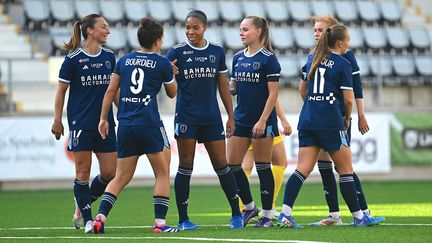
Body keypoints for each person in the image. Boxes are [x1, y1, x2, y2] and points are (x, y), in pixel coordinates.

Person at [277, 24, 383, 228]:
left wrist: (313, 104)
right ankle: (360, 217)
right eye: (348, 40)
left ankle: (285, 214)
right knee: (346, 170)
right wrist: (346, 118)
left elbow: (303, 89)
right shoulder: (343, 64)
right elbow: (349, 100)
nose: (349, 44)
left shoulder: (312, 59)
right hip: (330, 121)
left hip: (307, 118)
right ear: (341, 42)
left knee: (301, 169)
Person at [92, 17, 179, 234]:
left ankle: (100, 218)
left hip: (126, 124)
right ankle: (160, 224)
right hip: (149, 124)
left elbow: (110, 91)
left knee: (121, 177)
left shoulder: (124, 61)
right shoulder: (162, 63)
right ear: (158, 41)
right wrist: (171, 73)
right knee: (162, 173)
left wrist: (103, 118)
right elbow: (172, 93)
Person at [166, 10, 243, 230]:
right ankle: (183, 219)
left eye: (195, 27)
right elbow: (164, 82)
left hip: (211, 118)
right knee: (185, 167)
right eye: (187, 27)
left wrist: (231, 115)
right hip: (186, 117)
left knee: (222, 166)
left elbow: (222, 86)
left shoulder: (216, 51)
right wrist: (167, 71)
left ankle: (237, 215)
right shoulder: (176, 52)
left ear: (204, 28)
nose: (190, 32)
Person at [51, 14, 117, 234]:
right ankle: (88, 220)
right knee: (83, 172)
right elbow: (61, 91)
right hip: (81, 122)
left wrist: (125, 112)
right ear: (90, 30)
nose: (107, 30)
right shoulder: (73, 59)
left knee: (110, 173)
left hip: (106, 123)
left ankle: (81, 201)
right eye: (103, 27)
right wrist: (57, 119)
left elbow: (113, 90)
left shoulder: (109, 57)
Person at [227, 16, 280, 228]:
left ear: (258, 32)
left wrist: (263, 119)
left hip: (262, 121)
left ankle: (267, 214)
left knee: (263, 166)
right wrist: (224, 83)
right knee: (231, 165)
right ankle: (249, 207)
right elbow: (234, 87)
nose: (241, 33)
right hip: (241, 119)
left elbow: (273, 94)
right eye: (240, 29)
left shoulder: (269, 59)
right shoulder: (237, 57)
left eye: (245, 29)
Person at [238, 101, 292, 219]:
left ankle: (244, 209)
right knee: (280, 162)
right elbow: (273, 97)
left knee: (245, 166)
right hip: (265, 120)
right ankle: (269, 207)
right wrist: (283, 120)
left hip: (245, 117)